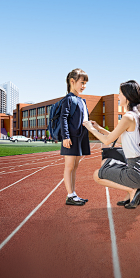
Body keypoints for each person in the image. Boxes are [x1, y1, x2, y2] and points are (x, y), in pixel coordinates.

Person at [84, 80, 140, 209]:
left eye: (120, 93)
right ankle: (132, 193)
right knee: (105, 162)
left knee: (96, 175)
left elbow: (107, 141)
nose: (118, 96)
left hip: (136, 173)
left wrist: (90, 129)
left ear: (127, 97)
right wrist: (99, 128)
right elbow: (121, 139)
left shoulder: (128, 117)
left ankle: (133, 191)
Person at [61, 68, 90, 206]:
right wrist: (65, 136)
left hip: (80, 137)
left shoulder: (80, 100)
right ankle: (70, 195)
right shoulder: (68, 99)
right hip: (71, 138)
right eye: (82, 82)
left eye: (85, 83)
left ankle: (73, 194)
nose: (84, 86)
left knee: (75, 166)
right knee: (69, 166)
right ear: (72, 82)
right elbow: (63, 118)